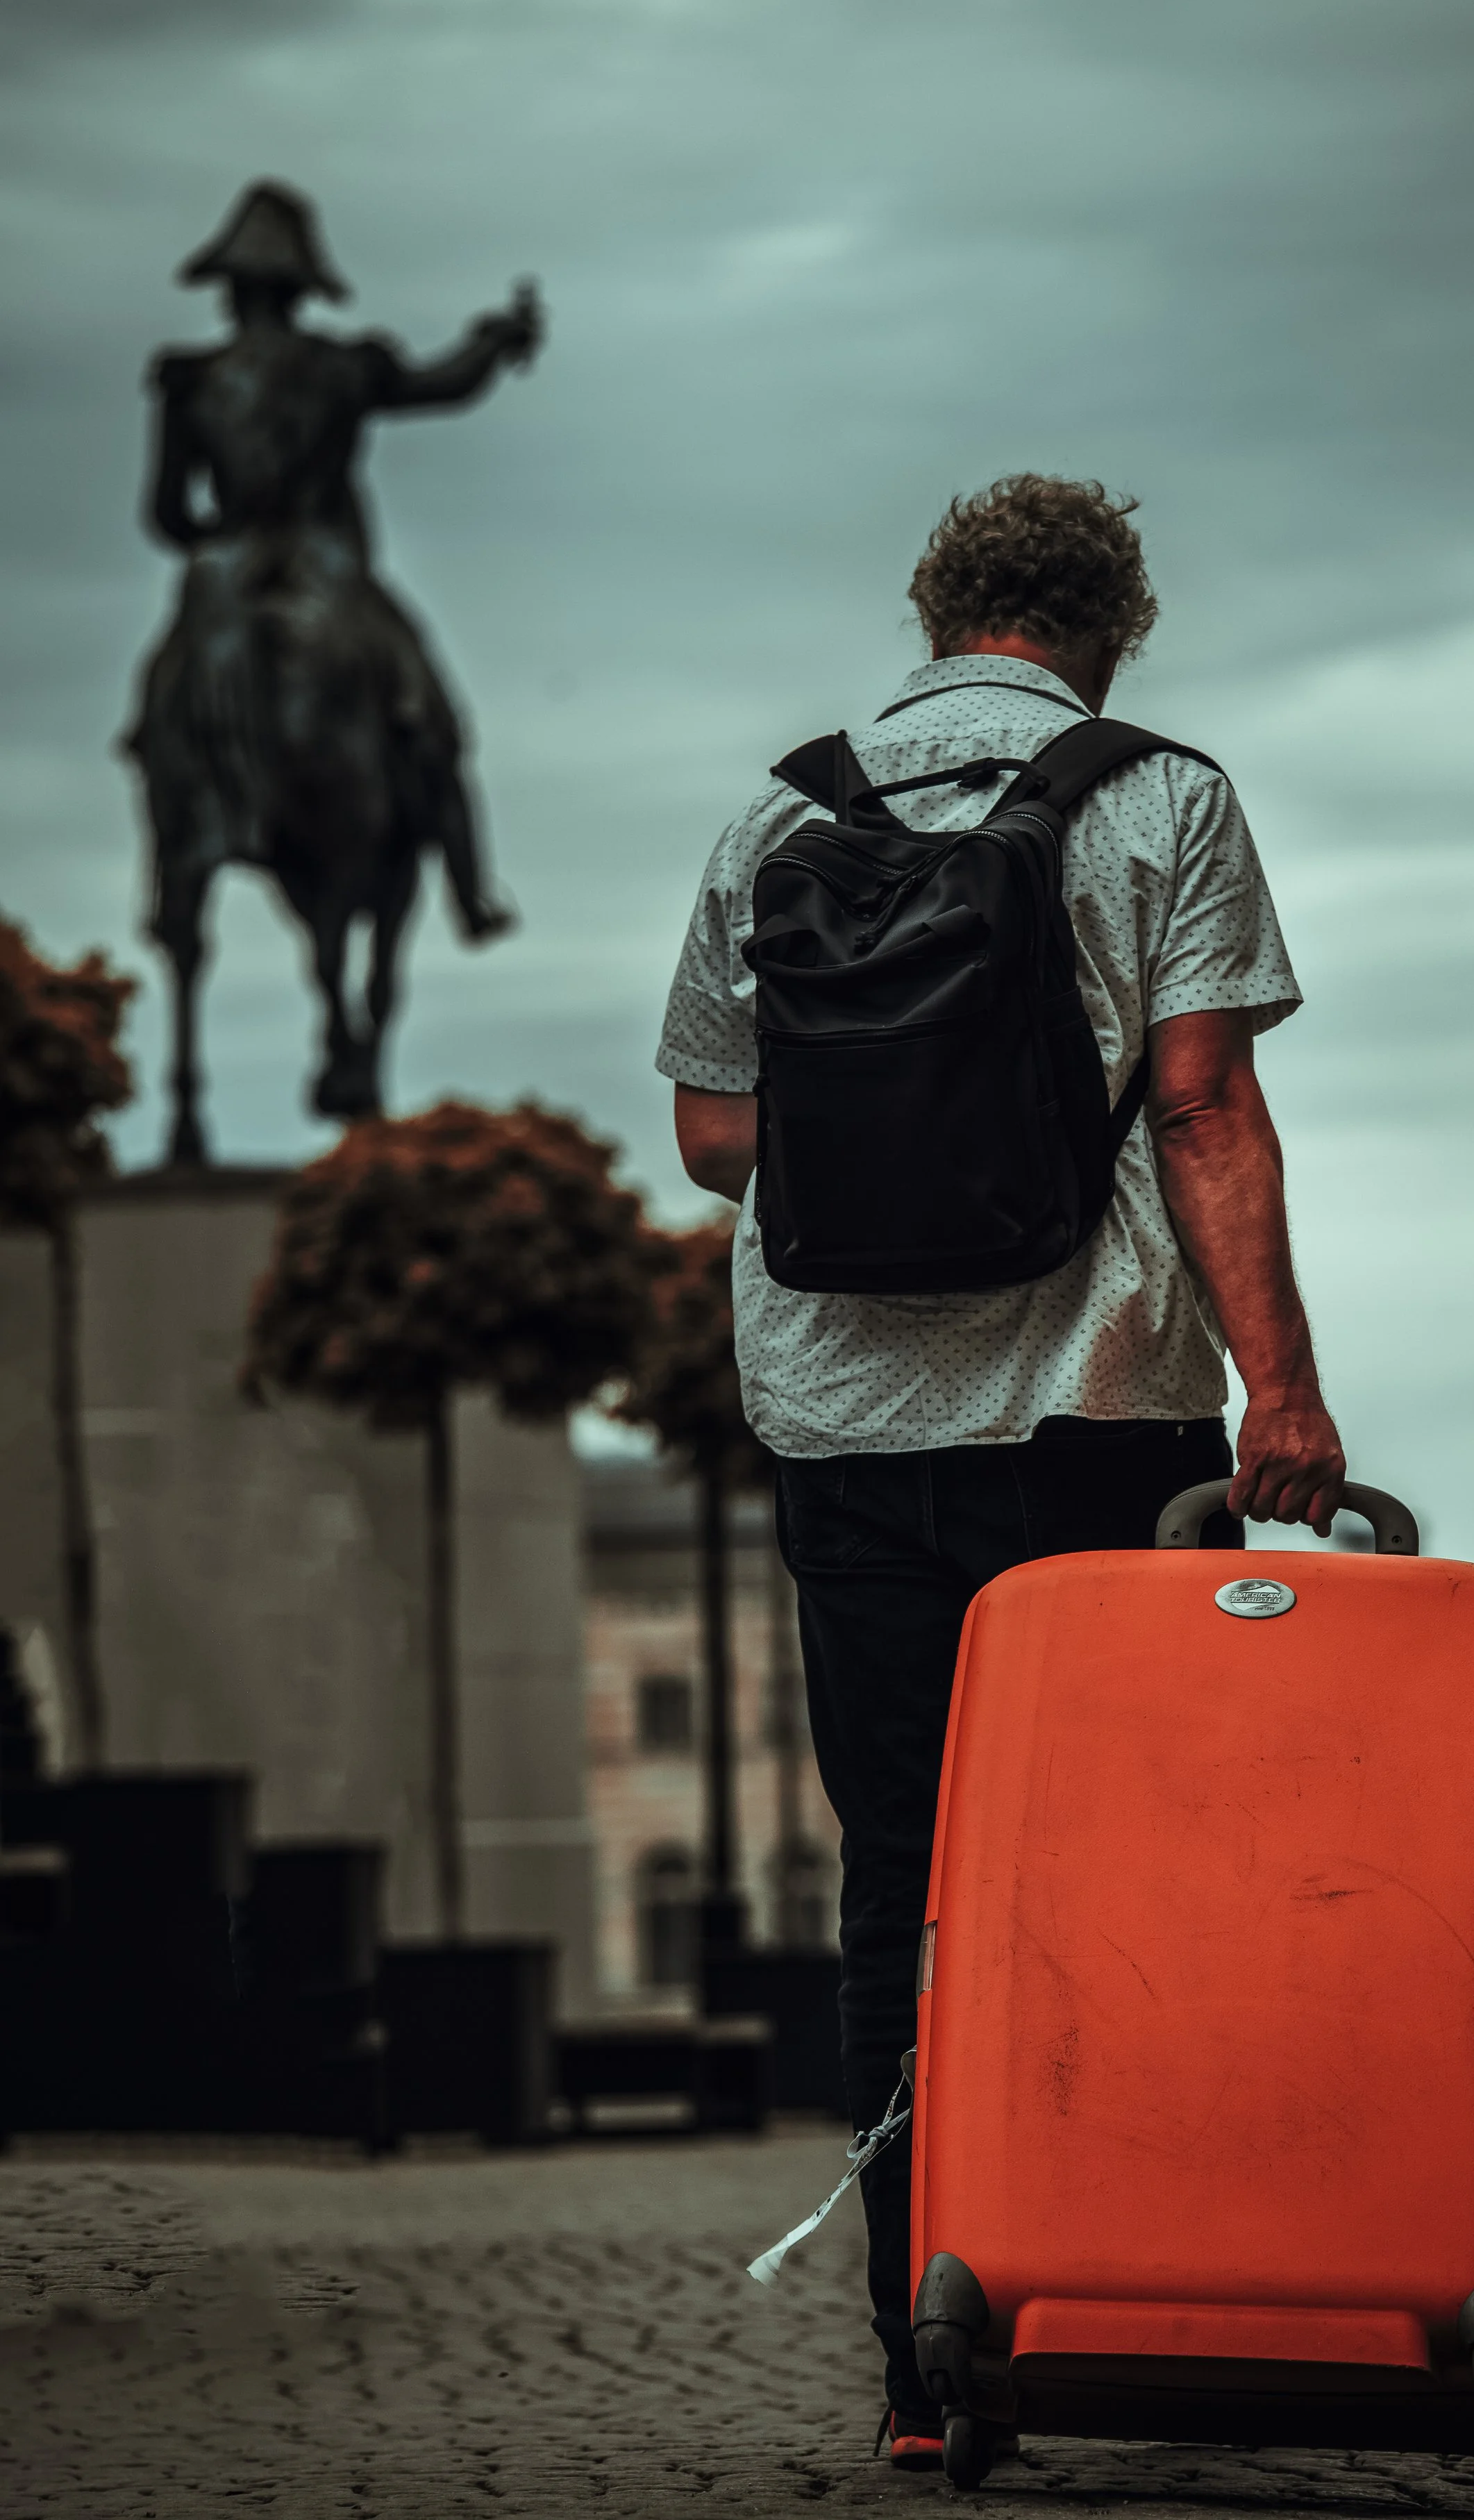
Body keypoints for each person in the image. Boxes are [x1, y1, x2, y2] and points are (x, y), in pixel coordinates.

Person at [656, 474, 1345, 2464]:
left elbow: (715, 1135)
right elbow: (1204, 1102)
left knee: (903, 1880)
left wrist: (876, 1125)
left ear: (935, 611)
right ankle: (1123, 2303)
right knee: (1134, 1867)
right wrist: (1283, 1393)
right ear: (1107, 626)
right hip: (1104, 1412)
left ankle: (918, 2363)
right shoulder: (1161, 795)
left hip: (849, 1421)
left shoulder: (778, 809)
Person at [128, 178, 533, 942]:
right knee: (429, 719)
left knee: (160, 717)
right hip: (328, 567)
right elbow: (444, 383)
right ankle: (469, 892)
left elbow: (165, 513)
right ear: (298, 289)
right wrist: (496, 338)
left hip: (222, 574)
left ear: (234, 288)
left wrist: (219, 539)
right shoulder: (341, 368)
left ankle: (167, 881)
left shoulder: (191, 382)